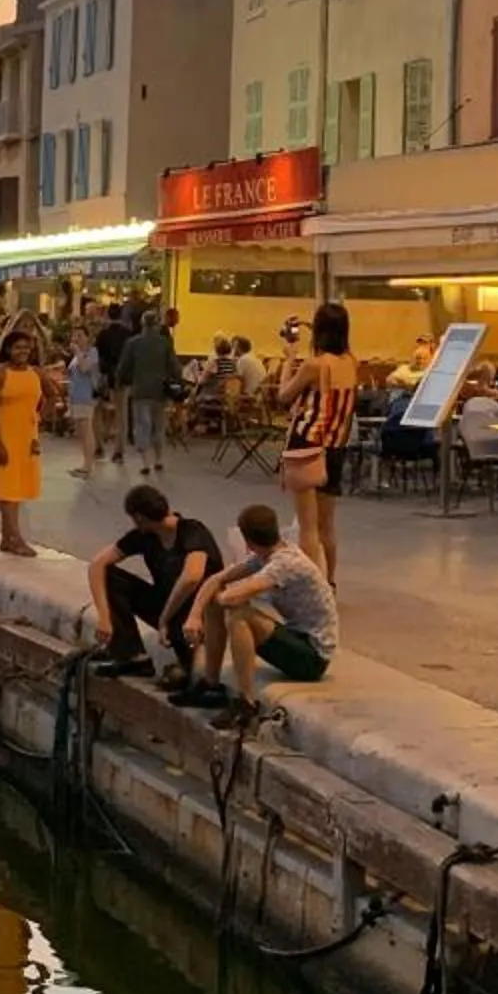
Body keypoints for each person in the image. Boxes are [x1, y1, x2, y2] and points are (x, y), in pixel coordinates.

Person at [179, 503, 338, 718]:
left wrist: (218, 599)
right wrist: (194, 615)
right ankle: (211, 684)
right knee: (219, 601)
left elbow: (235, 596)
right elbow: (216, 579)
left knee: (239, 614)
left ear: (247, 541)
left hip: (313, 657)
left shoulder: (286, 562)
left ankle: (246, 702)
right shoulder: (266, 556)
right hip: (296, 636)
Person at [86, 482, 218, 678]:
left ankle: (187, 668)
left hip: (196, 612)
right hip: (167, 605)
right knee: (109, 576)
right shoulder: (145, 536)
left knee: (186, 662)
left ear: (139, 517)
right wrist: (104, 618)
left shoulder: (191, 530)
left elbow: (191, 577)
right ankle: (132, 655)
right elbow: (97, 564)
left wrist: (165, 618)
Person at [271, 299, 360, 587]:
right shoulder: (351, 362)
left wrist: (288, 358)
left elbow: (284, 395)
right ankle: (330, 581)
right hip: (335, 446)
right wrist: (311, 326)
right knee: (327, 525)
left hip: (307, 445)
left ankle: (312, 587)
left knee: (307, 527)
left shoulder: (314, 365)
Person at [0, 327, 45, 557]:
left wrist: (38, 430)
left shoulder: (34, 373)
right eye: (18, 347)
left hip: (26, 437)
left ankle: (7, 538)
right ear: (8, 349)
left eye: (27, 347)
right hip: (4, 436)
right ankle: (15, 538)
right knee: (7, 490)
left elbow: (43, 400)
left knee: (17, 489)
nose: (23, 351)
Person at [116, 308, 178, 477]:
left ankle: (145, 462)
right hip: (160, 390)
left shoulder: (132, 343)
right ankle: (159, 459)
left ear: (142, 324)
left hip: (140, 390)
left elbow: (123, 368)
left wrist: (121, 382)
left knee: (142, 426)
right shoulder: (165, 343)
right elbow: (174, 366)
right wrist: (175, 383)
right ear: (157, 324)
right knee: (159, 426)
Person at [64, 322, 104, 478]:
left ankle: (88, 466)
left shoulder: (92, 352)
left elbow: (85, 368)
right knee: (80, 431)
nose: (77, 339)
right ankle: (84, 462)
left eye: (80, 335)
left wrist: (79, 353)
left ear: (88, 338)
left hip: (86, 395)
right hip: (75, 396)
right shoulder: (75, 355)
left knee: (87, 430)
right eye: (75, 335)